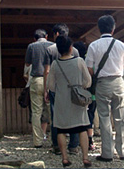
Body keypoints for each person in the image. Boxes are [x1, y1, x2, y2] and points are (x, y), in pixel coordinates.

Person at [85, 15, 124, 162]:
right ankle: (123, 152)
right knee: (121, 117)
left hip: (102, 83)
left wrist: (97, 75)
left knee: (104, 117)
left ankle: (107, 153)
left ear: (99, 28)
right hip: (118, 81)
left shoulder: (93, 46)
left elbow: (89, 68)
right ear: (113, 28)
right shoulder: (121, 45)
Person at [47, 35, 92, 167]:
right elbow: (88, 81)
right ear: (71, 48)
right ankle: (85, 158)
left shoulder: (55, 64)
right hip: (77, 99)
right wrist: (79, 86)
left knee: (61, 129)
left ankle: (65, 158)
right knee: (82, 127)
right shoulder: (79, 61)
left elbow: (50, 86)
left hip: (61, 100)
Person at [43, 23, 80, 155]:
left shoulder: (50, 50)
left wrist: (46, 89)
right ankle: (73, 146)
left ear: (57, 34)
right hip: (72, 88)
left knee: (56, 117)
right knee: (74, 115)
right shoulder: (74, 51)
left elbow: (47, 71)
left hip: (56, 89)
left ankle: (57, 146)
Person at [24, 29, 53, 148]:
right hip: (51, 79)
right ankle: (54, 140)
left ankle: (38, 141)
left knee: (36, 112)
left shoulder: (31, 46)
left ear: (35, 38)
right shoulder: (53, 45)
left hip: (36, 79)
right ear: (46, 36)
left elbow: (27, 64)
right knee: (52, 110)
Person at [73, 41, 96, 151]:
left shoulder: (74, 62)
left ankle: (77, 140)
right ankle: (90, 140)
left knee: (78, 116)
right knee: (90, 115)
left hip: (77, 94)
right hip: (91, 94)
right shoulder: (89, 62)